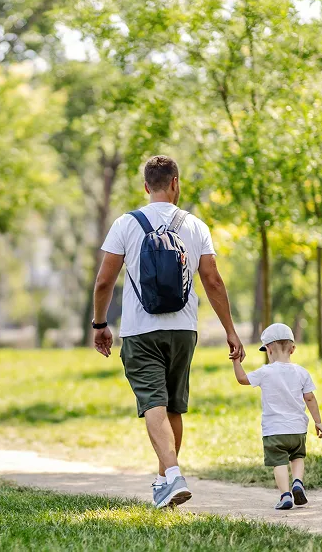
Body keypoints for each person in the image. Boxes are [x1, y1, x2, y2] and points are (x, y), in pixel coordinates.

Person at [92, 155, 244, 509]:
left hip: (140, 331)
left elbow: (104, 281)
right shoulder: (195, 226)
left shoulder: (126, 223)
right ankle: (164, 482)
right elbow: (213, 281)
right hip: (183, 330)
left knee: (153, 404)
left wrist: (101, 324)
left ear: (146, 187)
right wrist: (230, 331)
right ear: (176, 183)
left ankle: (173, 474)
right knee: (173, 406)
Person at [231, 323, 322, 510]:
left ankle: (285, 495)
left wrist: (236, 361)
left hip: (274, 430)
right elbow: (310, 397)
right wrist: (318, 422)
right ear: (293, 349)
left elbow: (242, 379)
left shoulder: (265, 371)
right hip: (297, 429)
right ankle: (298, 482)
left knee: (279, 462)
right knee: (297, 456)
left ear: (268, 349)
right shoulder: (301, 372)